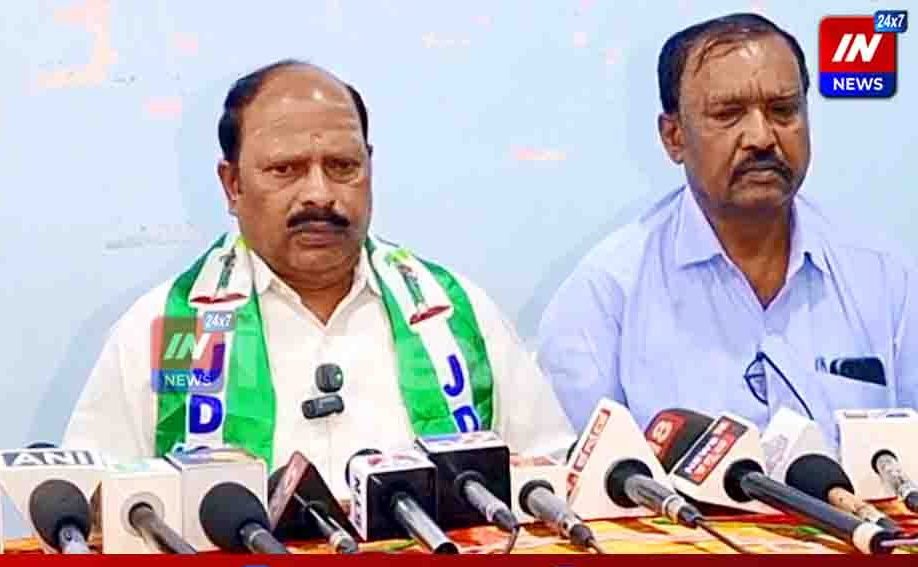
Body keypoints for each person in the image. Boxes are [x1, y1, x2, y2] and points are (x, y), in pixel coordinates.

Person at [65, 60, 573, 497]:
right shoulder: (175, 327)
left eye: (342, 166)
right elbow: (101, 507)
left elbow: (550, 480)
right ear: (233, 184)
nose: (320, 194)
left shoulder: (450, 316)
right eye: (285, 169)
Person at [538, 14, 916, 443]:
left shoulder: (887, 278)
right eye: (728, 114)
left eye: (783, 111)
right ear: (674, 137)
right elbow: (575, 472)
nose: (761, 137)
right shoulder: (606, 296)